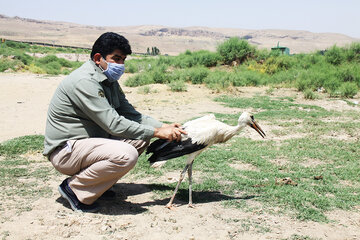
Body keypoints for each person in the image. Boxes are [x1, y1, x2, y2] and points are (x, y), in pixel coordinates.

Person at [43, 32, 186, 212]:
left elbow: (131, 114)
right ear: (98, 58)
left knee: (139, 138)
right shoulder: (85, 81)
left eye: (123, 60)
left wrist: (163, 126)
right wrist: (157, 132)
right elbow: (113, 124)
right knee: (126, 154)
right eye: (116, 59)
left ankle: (98, 186)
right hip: (66, 151)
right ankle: (75, 189)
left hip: (87, 144)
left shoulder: (108, 80)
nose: (120, 65)